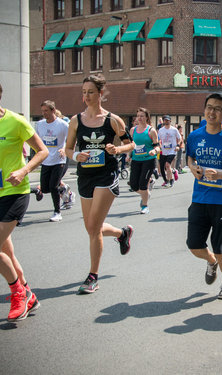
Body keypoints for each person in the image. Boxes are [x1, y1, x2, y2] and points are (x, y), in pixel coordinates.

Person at [64, 74, 135, 294]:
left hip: (107, 175)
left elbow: (130, 144)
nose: (86, 96)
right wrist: (76, 156)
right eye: (84, 92)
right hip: (85, 176)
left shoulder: (113, 120)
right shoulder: (76, 120)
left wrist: (117, 150)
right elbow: (67, 149)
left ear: (100, 94)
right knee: (91, 228)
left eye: (90, 92)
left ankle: (93, 276)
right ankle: (121, 234)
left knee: (93, 228)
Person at [186, 93, 222, 299]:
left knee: (220, 247)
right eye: (209, 107)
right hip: (199, 198)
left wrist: (220, 175)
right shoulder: (195, 136)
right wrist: (193, 168)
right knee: (193, 245)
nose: (212, 112)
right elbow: (190, 158)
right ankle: (211, 262)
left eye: (217, 109)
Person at [0, 82, 49, 321]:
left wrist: (23, 171)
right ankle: (28, 293)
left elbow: (42, 151)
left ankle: (18, 293)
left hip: (14, 192)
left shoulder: (15, 122)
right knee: (5, 250)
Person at [34, 100, 71, 222]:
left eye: (46, 111)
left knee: (53, 186)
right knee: (45, 188)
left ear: (53, 110)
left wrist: (64, 149)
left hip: (59, 160)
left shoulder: (63, 125)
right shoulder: (40, 124)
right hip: (46, 160)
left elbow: (71, 140)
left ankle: (57, 212)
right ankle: (64, 189)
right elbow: (38, 142)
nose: (44, 113)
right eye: (42, 111)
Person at [127, 107, 159, 214]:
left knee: (142, 184)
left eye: (142, 116)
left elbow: (157, 146)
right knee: (133, 185)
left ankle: (145, 206)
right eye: (138, 116)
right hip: (136, 160)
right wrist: (128, 155)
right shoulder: (133, 130)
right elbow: (131, 146)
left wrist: (154, 151)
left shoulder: (151, 131)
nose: (139, 118)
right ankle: (146, 194)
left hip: (149, 160)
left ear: (146, 118)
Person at [157, 115, 181, 188]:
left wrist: (177, 145)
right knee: (162, 168)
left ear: (170, 121)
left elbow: (179, 138)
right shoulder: (161, 130)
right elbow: (158, 139)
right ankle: (169, 179)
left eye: (168, 120)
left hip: (172, 150)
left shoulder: (174, 130)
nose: (166, 121)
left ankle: (170, 181)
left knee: (167, 165)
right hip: (164, 151)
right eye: (165, 120)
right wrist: (159, 145)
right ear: (163, 121)